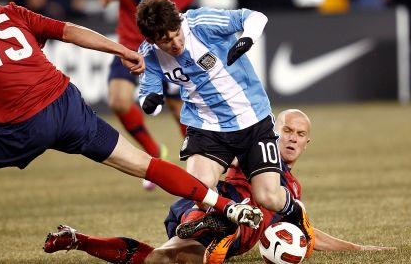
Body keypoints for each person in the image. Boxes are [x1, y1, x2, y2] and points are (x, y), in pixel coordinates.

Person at [0, 0, 263, 263]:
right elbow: (69, 30)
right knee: (141, 163)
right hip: (67, 105)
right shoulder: (11, 11)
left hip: (20, 122)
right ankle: (225, 206)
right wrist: (121, 49)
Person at [42, 109, 395, 264]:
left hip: (214, 225)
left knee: (163, 260)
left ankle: (77, 239)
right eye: (287, 130)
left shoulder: (290, 188)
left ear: (307, 144)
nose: (292, 139)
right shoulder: (254, 154)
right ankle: (213, 219)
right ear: (274, 131)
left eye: (300, 135)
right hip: (213, 203)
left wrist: (356, 248)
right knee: (250, 214)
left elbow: (305, 230)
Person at [135, 0, 315, 256]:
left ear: (179, 23)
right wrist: (150, 102)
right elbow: (149, 95)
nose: (175, 44)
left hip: (252, 120)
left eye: (176, 34)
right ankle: (224, 224)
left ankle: (296, 212)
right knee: (197, 186)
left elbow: (255, 17)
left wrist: (248, 38)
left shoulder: (200, 22)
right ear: (152, 40)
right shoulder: (148, 54)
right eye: (165, 40)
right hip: (207, 125)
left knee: (269, 197)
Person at [99, 0, 197, 190]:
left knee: (180, 111)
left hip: (163, 50)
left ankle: (199, 165)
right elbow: (104, 0)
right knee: (118, 101)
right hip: (129, 49)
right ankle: (154, 151)